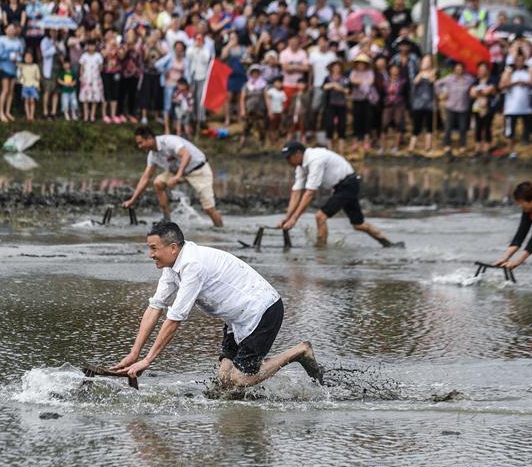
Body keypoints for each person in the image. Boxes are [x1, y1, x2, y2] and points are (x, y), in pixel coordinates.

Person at [109, 221, 321, 387]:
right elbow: (155, 307)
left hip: (262, 310)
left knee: (240, 380)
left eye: (154, 248)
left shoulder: (193, 265)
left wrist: (148, 360)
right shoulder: (171, 268)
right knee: (225, 381)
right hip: (236, 317)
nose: (150, 254)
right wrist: (134, 353)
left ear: (173, 248)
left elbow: (174, 319)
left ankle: (299, 352)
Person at [278, 141, 402, 248]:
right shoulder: (301, 166)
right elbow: (296, 192)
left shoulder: (315, 159)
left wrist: (295, 218)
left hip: (348, 184)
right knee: (358, 225)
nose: (287, 161)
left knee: (320, 216)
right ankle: (388, 244)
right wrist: (287, 217)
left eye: (289, 158)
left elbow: (310, 193)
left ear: (298, 154)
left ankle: (320, 253)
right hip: (341, 186)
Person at [123, 126, 223, 227]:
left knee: (209, 209)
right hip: (177, 171)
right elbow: (145, 178)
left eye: (141, 143)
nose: (140, 146)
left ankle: (220, 230)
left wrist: (177, 176)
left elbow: (186, 155)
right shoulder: (152, 155)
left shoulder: (169, 141)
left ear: (149, 138)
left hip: (198, 170)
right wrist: (133, 200)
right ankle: (167, 219)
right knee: (158, 183)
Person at [499, 54, 532, 157]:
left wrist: (527, 83)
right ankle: (511, 151)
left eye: (522, 61)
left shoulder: (527, 72)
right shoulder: (509, 72)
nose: (520, 63)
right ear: (515, 62)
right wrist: (515, 82)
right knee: (510, 131)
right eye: (518, 61)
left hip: (526, 108)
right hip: (511, 108)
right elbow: (502, 85)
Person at [436, 61, 475, 154]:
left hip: (463, 107)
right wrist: (441, 94)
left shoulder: (469, 79)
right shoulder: (449, 78)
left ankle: (462, 145)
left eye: (460, 69)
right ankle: (447, 145)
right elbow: (437, 84)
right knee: (448, 127)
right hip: (451, 106)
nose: (459, 70)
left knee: (463, 128)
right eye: (457, 69)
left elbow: (475, 84)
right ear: (454, 69)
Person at [0, 22, 23, 122]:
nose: (11, 31)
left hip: (14, 68)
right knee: (5, 90)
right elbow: (0, 54)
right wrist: (11, 55)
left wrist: (17, 59)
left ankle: (8, 111)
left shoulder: (18, 41)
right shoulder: (1, 39)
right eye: (9, 29)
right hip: (4, 67)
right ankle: (1, 112)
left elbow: (20, 55)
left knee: (11, 91)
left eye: (13, 29)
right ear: (6, 30)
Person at [470, 61, 498, 157]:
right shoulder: (475, 81)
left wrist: (479, 92)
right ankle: (477, 148)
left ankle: (487, 148)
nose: (482, 71)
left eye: (484, 69)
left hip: (489, 107)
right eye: (480, 69)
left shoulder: (492, 79)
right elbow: (472, 93)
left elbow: (489, 90)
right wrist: (482, 92)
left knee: (487, 127)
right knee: (478, 127)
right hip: (477, 107)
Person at [78, 38, 104, 122]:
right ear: (87, 46)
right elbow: (81, 68)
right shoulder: (84, 56)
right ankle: (86, 116)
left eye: (93, 45)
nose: (91, 47)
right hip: (86, 79)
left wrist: (96, 75)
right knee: (85, 98)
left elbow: (101, 67)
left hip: (95, 79)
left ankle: (92, 115)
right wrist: (81, 78)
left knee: (95, 99)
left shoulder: (98, 56)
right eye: (89, 45)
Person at [18, 49, 41, 121]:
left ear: (32, 58)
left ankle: (32, 115)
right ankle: (28, 116)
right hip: (25, 86)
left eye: (30, 57)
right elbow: (17, 68)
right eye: (26, 57)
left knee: (32, 101)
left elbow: (38, 77)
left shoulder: (35, 66)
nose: (28, 59)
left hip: (33, 86)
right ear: (24, 58)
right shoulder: (22, 66)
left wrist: (38, 86)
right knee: (26, 101)